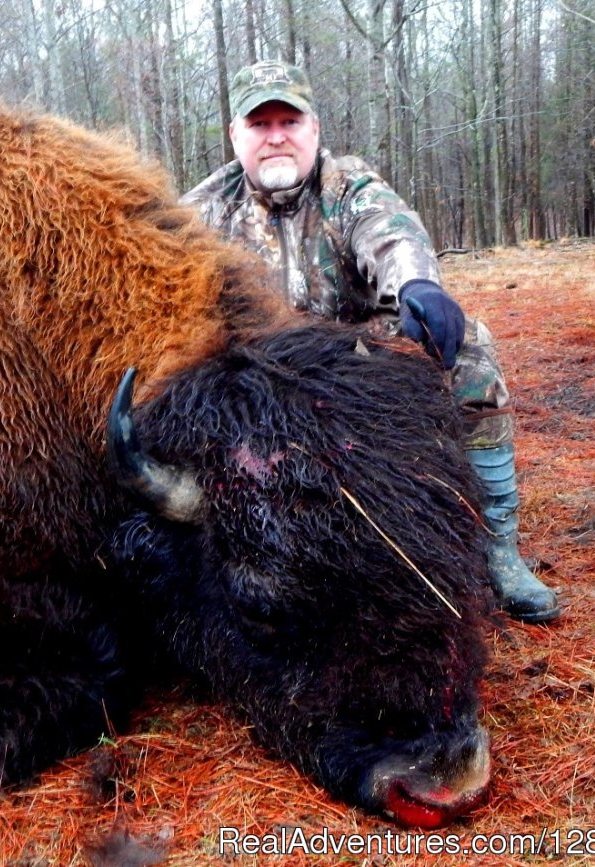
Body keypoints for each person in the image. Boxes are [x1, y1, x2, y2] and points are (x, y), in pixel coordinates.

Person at [182, 60, 560, 623]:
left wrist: (417, 285)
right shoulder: (203, 210)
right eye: (260, 125)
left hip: (356, 363)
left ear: (314, 128)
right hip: (255, 377)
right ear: (236, 134)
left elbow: (390, 231)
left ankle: (497, 544)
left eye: (291, 119)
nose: (277, 136)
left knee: (472, 351)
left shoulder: (346, 183)